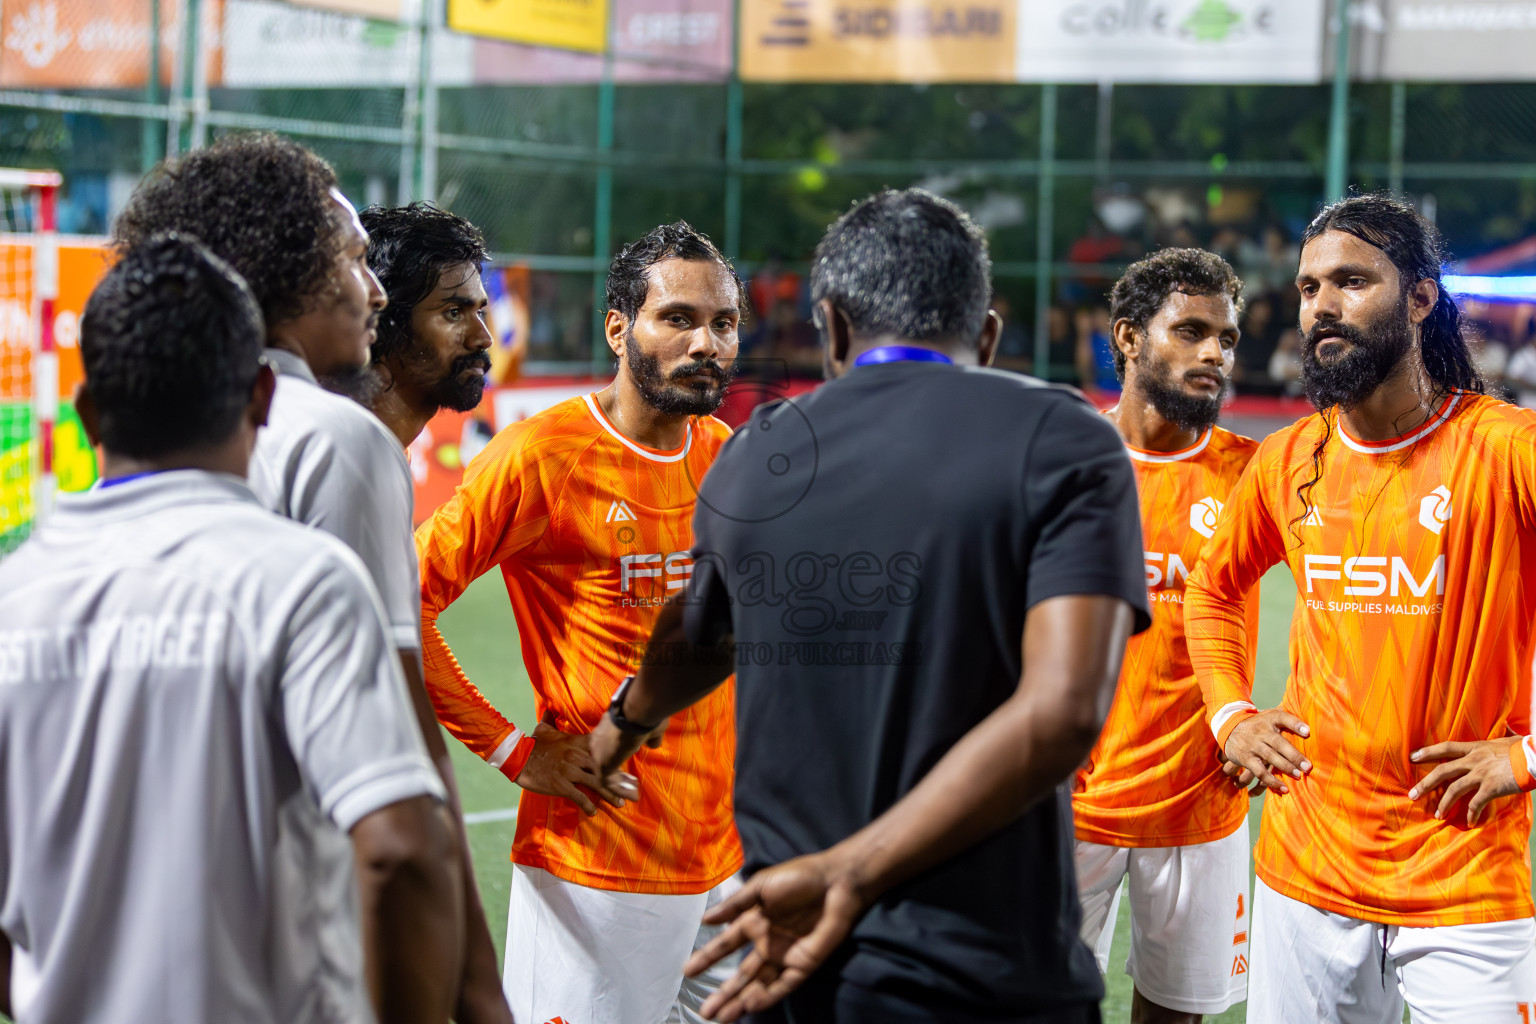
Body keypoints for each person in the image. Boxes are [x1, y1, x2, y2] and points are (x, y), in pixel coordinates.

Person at [591, 188, 1151, 1023]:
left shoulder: (760, 451)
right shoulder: (1066, 440)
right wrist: (856, 869)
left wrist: (624, 722)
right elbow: (1065, 709)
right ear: (987, 335)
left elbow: (702, 635)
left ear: (835, 328)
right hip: (992, 976)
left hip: (795, 972)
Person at [0, 234, 458, 1023]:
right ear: (259, 399)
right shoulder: (305, 581)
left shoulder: (14, 598)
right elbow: (398, 849)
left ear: (85, 415)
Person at [112, 132, 508, 1023]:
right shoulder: (333, 439)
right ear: (284, 269)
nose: (369, 290)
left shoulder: (158, 444)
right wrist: (477, 990)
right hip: (289, 935)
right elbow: (405, 754)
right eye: (355, 261)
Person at [1186, 193, 1536, 1022]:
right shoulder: (1288, 459)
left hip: (1466, 872)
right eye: (1309, 288)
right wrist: (1231, 715)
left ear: (1420, 297)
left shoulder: (1505, 449)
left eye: (1351, 281)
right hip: (1307, 869)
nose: (1322, 306)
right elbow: (1212, 590)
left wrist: (1526, 757)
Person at [415, 221, 745, 1024]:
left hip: (728, 863)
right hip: (597, 865)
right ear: (619, 327)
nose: (706, 343)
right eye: (679, 319)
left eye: (724, 324)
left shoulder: (724, 453)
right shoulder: (541, 455)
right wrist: (509, 747)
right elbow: (393, 599)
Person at [1073, 248, 1259, 1024]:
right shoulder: (1058, 464)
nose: (1214, 352)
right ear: (1128, 336)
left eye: (1226, 337)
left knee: (1175, 1015)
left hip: (1199, 809)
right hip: (1063, 806)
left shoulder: (1258, 473)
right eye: (1190, 331)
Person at [356, 202, 495, 448]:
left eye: (480, 313)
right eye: (454, 313)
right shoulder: (348, 455)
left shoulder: (384, 451)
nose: (483, 339)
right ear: (384, 325)